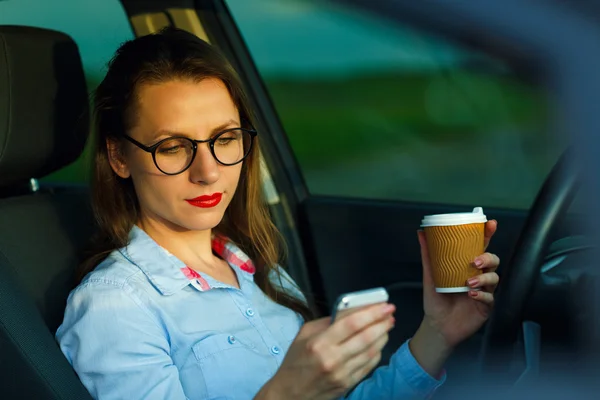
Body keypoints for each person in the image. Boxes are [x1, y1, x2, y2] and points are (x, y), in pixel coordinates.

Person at [56, 27, 500, 400]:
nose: (208, 172)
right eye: (173, 147)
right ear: (118, 156)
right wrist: (284, 393)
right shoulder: (115, 306)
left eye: (225, 139)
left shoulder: (256, 269)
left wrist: (438, 333)